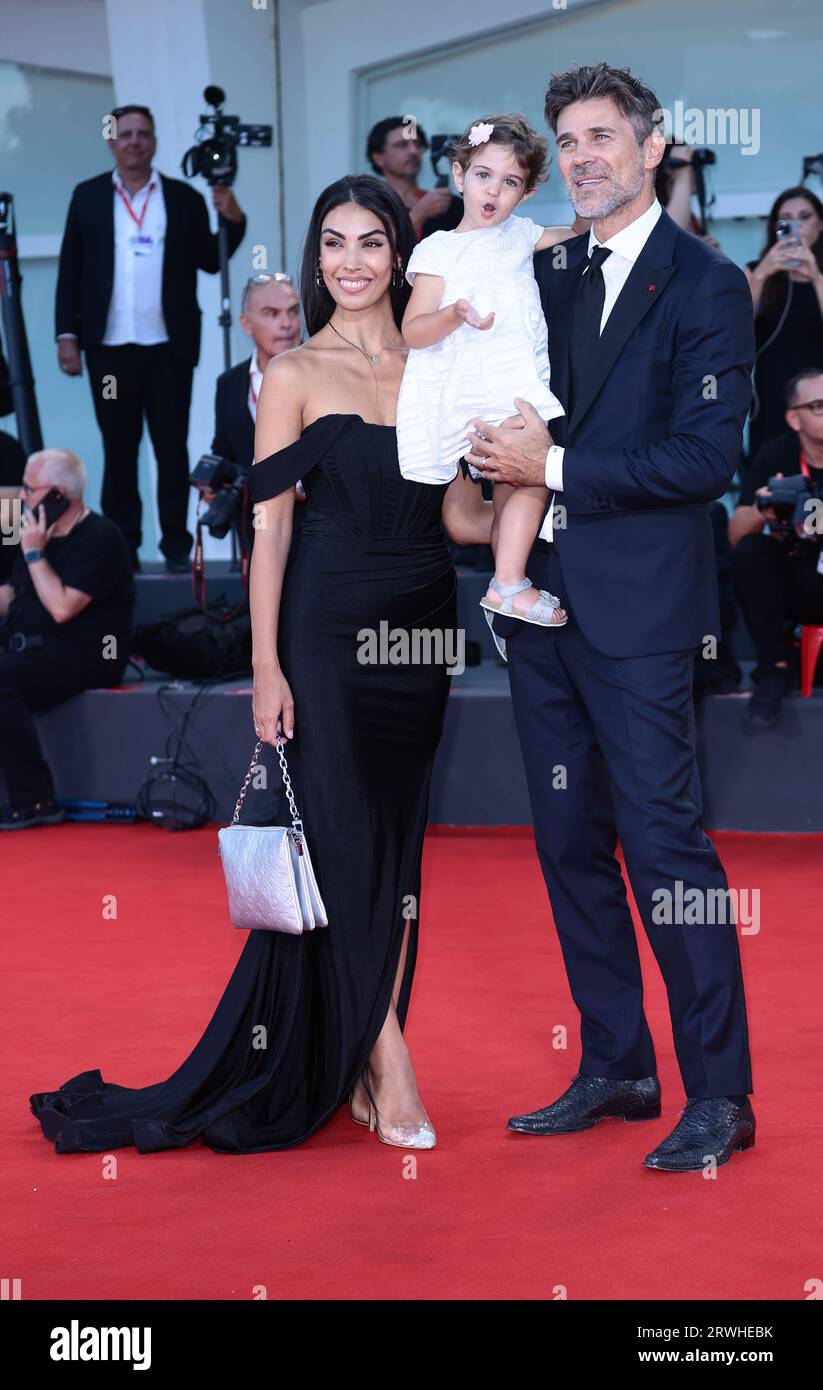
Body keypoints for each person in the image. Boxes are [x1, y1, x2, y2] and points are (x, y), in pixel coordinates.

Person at [28, 176, 493, 1154]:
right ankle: (384, 1055)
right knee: (340, 840)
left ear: (398, 256)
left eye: (372, 242)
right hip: (322, 630)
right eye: (334, 243)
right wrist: (266, 666)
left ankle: (363, 1036)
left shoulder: (438, 363)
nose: (353, 261)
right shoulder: (293, 372)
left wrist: (537, 479)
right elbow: (269, 533)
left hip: (418, 625)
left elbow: (459, 517)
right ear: (316, 256)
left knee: (396, 846)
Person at [467, 62, 756, 1172]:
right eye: (567, 140)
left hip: (641, 613)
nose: (582, 155)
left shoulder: (704, 283)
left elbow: (704, 458)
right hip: (538, 604)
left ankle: (719, 1095)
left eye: (600, 135)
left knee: (665, 845)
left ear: (649, 145)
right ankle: (618, 1064)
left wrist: (558, 463)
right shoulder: (538, 271)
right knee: (567, 840)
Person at [398, 112, 574, 637]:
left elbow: (582, 233)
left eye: (510, 182)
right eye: (483, 175)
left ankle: (506, 599)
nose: (494, 190)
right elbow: (413, 331)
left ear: (527, 191)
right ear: (458, 175)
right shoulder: (438, 249)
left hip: (514, 380)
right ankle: (508, 584)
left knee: (515, 494)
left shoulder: (523, 235)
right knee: (531, 476)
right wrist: (455, 315)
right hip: (472, 386)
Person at [55, 104, 247, 572]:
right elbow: (70, 269)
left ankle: (177, 549)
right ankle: (121, 547)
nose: (134, 141)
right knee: (119, 446)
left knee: (170, 445)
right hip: (109, 348)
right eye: (125, 134)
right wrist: (67, 335)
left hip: (167, 346)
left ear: (156, 141)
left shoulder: (182, 197)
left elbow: (209, 259)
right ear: (111, 142)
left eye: (143, 134)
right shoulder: (88, 196)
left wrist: (235, 221)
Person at [0, 449, 134, 830]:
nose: (21, 497)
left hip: (86, 654)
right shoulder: (39, 533)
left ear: (57, 494)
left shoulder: (100, 536)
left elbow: (61, 607)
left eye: (29, 488)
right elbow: (15, 595)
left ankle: (35, 799)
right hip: (35, 649)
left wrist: (33, 552)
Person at [730, 367, 823, 727]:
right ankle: (774, 669)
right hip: (799, 577)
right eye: (818, 406)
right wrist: (764, 510)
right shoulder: (776, 456)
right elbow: (736, 536)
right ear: (793, 418)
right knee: (751, 551)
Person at [207, 273, 303, 555]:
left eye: (292, 312)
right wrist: (211, 484)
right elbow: (224, 448)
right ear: (246, 324)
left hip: (317, 527)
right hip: (254, 528)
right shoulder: (230, 383)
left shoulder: (325, 374)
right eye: (271, 314)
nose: (286, 324)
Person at [743, 187, 823, 462]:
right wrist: (763, 272)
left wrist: (816, 277)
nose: (796, 226)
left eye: (804, 217)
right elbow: (735, 327)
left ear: (820, 224)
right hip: (772, 394)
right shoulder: (757, 270)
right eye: (786, 219)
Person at [366, 116, 463, 240]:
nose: (413, 151)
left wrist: (464, 174)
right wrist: (419, 213)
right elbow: (375, 246)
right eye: (402, 145)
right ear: (378, 158)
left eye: (418, 144)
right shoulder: (368, 203)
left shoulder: (446, 204)